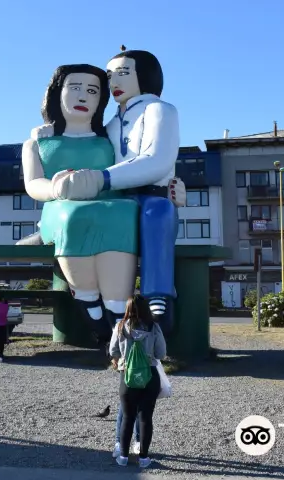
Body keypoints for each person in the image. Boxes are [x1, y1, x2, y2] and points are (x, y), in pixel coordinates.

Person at [34, 47, 181, 337]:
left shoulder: (159, 110)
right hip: (116, 197)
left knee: (157, 214)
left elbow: (158, 158)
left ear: (146, 76)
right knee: (104, 217)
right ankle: (97, 297)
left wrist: (102, 178)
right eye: (111, 76)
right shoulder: (112, 123)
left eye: (124, 73)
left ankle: (157, 293)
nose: (114, 82)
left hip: (150, 193)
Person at [22, 64, 140, 344]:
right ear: (56, 93)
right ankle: (88, 300)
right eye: (75, 88)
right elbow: (32, 184)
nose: (83, 97)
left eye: (92, 90)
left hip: (110, 206)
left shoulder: (110, 138)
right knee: (71, 215)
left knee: (123, 213)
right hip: (60, 206)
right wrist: (55, 187)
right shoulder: (38, 142)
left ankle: (116, 307)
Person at [109, 295, 166, 469]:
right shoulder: (154, 327)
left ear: (128, 308)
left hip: (127, 376)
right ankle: (143, 458)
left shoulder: (120, 327)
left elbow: (113, 350)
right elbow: (161, 353)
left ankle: (123, 457)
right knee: (145, 418)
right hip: (150, 376)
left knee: (127, 416)